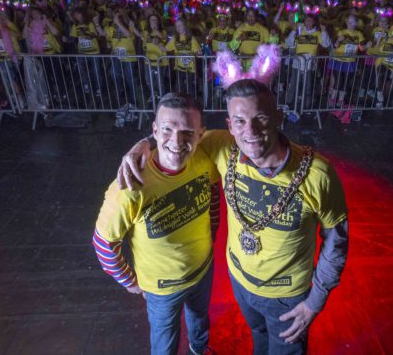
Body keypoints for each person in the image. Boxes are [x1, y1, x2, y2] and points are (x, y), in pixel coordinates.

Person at [118, 79, 349, 355]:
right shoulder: (223, 147)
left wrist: (315, 302)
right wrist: (144, 143)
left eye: (260, 118)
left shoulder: (317, 174)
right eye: (239, 121)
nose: (249, 131)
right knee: (259, 340)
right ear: (229, 126)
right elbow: (178, 136)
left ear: (278, 117)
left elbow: (337, 241)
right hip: (240, 283)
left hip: (286, 298)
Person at [93, 93, 220, 355]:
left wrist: (212, 235)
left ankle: (199, 349)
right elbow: (104, 243)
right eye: (167, 130)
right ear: (154, 130)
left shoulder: (205, 160)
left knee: (200, 320)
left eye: (187, 132)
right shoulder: (129, 186)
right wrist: (130, 282)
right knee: (164, 343)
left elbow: (213, 195)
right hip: (161, 288)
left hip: (203, 270)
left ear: (201, 134)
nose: (176, 141)